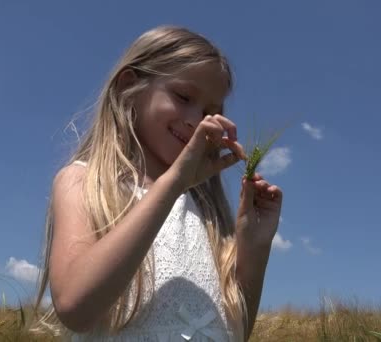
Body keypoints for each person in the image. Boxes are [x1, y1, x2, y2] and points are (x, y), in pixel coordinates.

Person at [30, 25, 283, 342]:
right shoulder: (82, 181)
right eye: (183, 97)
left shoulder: (204, 210)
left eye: (210, 111)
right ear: (129, 87)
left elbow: (234, 330)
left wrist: (255, 246)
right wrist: (174, 182)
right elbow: (74, 306)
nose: (197, 120)